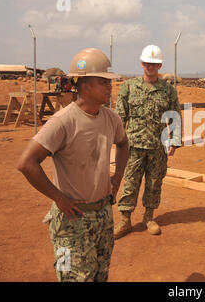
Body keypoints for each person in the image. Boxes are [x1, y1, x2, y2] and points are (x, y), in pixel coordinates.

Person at [17, 48, 129, 282]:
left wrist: (117, 178)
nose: (110, 87)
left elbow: (123, 144)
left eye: (109, 82)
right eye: (103, 82)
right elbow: (27, 163)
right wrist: (59, 197)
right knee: (71, 277)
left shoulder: (111, 118)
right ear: (85, 86)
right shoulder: (63, 122)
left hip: (102, 216)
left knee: (100, 275)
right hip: (71, 222)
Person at [114, 44, 182, 239]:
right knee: (130, 183)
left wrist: (174, 141)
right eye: (147, 63)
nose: (150, 67)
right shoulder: (129, 86)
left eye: (154, 64)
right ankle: (125, 220)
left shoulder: (168, 91)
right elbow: (120, 116)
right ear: (142, 63)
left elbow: (174, 116)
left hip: (157, 147)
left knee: (154, 183)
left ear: (160, 65)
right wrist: (119, 142)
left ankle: (149, 217)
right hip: (133, 146)